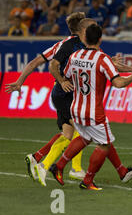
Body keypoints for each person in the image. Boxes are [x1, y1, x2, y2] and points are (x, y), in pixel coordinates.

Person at [49, 24, 132, 190]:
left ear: (84, 38)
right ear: (100, 39)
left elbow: (65, 74)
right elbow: (118, 83)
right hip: (93, 111)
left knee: (84, 137)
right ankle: (88, 180)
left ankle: (58, 166)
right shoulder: (103, 59)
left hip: (76, 107)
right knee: (105, 144)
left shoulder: (75, 56)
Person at [6, 12, 87, 185]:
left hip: (64, 93)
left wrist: (20, 81)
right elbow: (51, 65)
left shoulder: (59, 45)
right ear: (82, 27)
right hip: (65, 93)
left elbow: (34, 63)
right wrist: (62, 80)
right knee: (81, 130)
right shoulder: (73, 45)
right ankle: (76, 169)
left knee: (67, 135)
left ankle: (36, 157)